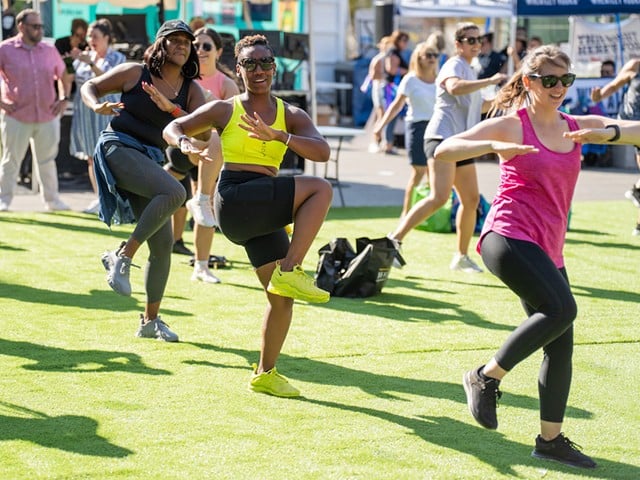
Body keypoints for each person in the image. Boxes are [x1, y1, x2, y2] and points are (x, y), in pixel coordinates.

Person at [435, 44, 640, 469]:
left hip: (548, 247)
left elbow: (635, 128)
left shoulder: (576, 126)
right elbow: (443, 150)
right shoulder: (513, 125)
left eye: (567, 80)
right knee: (563, 307)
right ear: (529, 82)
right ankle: (485, 376)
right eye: (550, 80)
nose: (560, 88)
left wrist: (609, 133)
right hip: (506, 236)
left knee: (560, 344)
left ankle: (550, 440)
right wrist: (492, 144)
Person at [163, 34, 333, 397]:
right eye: (250, 64)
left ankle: (266, 373)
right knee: (320, 190)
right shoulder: (226, 109)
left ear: (274, 67)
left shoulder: (292, 114)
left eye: (265, 63)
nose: (259, 70)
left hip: (261, 211)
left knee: (281, 299)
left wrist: (279, 136)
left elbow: (322, 152)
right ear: (238, 70)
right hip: (237, 198)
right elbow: (173, 127)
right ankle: (292, 269)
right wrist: (184, 143)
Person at [81, 19, 208, 341]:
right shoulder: (135, 73)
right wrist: (96, 104)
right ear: (161, 44)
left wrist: (173, 109)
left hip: (148, 157)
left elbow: (206, 131)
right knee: (174, 191)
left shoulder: (192, 90)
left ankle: (149, 321)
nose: (182, 45)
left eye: (186, 41)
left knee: (163, 244)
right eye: (174, 40)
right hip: (117, 147)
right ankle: (122, 256)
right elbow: (90, 86)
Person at [387, 23, 506, 273]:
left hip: (459, 142)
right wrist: (491, 80)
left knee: (471, 200)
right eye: (470, 40)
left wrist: (501, 99)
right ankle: (393, 241)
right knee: (439, 197)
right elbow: (453, 87)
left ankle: (461, 257)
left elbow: (478, 105)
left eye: (479, 39)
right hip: (441, 139)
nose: (476, 44)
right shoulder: (454, 65)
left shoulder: (470, 69)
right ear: (458, 44)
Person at [165, 26, 242, 283]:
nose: (200, 50)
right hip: (181, 148)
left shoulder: (226, 84)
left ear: (219, 52)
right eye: (196, 45)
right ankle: (176, 241)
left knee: (203, 203)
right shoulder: (184, 79)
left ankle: (201, 265)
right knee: (180, 193)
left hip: (209, 153)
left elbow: (233, 125)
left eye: (206, 46)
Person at [0, 9, 72, 212]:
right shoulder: (5, 49)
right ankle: (3, 200)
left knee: (47, 161)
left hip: (47, 114)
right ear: (21, 26)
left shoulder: (49, 50)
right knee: (10, 161)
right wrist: (1, 103)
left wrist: (64, 98)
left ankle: (52, 201)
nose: (40, 29)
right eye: (35, 26)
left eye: (41, 26)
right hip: (16, 115)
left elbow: (64, 75)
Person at [373, 41, 437, 218]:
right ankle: (406, 213)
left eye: (435, 55)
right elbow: (395, 105)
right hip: (417, 127)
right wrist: (380, 125)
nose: (433, 59)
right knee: (418, 172)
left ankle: (432, 214)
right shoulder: (410, 79)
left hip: (436, 129)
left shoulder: (440, 79)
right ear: (419, 58)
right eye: (428, 55)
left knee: (435, 173)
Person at [69, 19, 126, 215]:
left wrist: (91, 63)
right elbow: (72, 79)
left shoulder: (117, 58)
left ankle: (118, 201)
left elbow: (109, 81)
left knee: (110, 158)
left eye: (95, 36)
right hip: (86, 116)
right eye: (89, 36)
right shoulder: (85, 57)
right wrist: (69, 61)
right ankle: (100, 199)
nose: (91, 40)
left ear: (107, 38)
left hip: (108, 115)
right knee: (92, 158)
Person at [591, 57, 640, 236]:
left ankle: (638, 224)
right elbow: (615, 84)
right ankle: (636, 190)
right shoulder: (636, 65)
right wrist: (600, 95)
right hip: (631, 121)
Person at [382, 30, 410, 154]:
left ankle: (388, 142)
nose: (405, 44)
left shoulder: (396, 52)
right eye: (403, 40)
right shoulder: (393, 52)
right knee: (391, 115)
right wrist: (406, 71)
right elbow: (391, 70)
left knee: (392, 115)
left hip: (394, 87)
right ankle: (388, 144)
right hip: (392, 88)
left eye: (406, 41)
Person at [364, 35, 391, 154]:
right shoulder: (378, 59)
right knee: (381, 115)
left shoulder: (390, 58)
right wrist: (386, 76)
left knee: (385, 116)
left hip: (387, 90)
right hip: (379, 89)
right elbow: (373, 76)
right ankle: (375, 141)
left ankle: (384, 141)